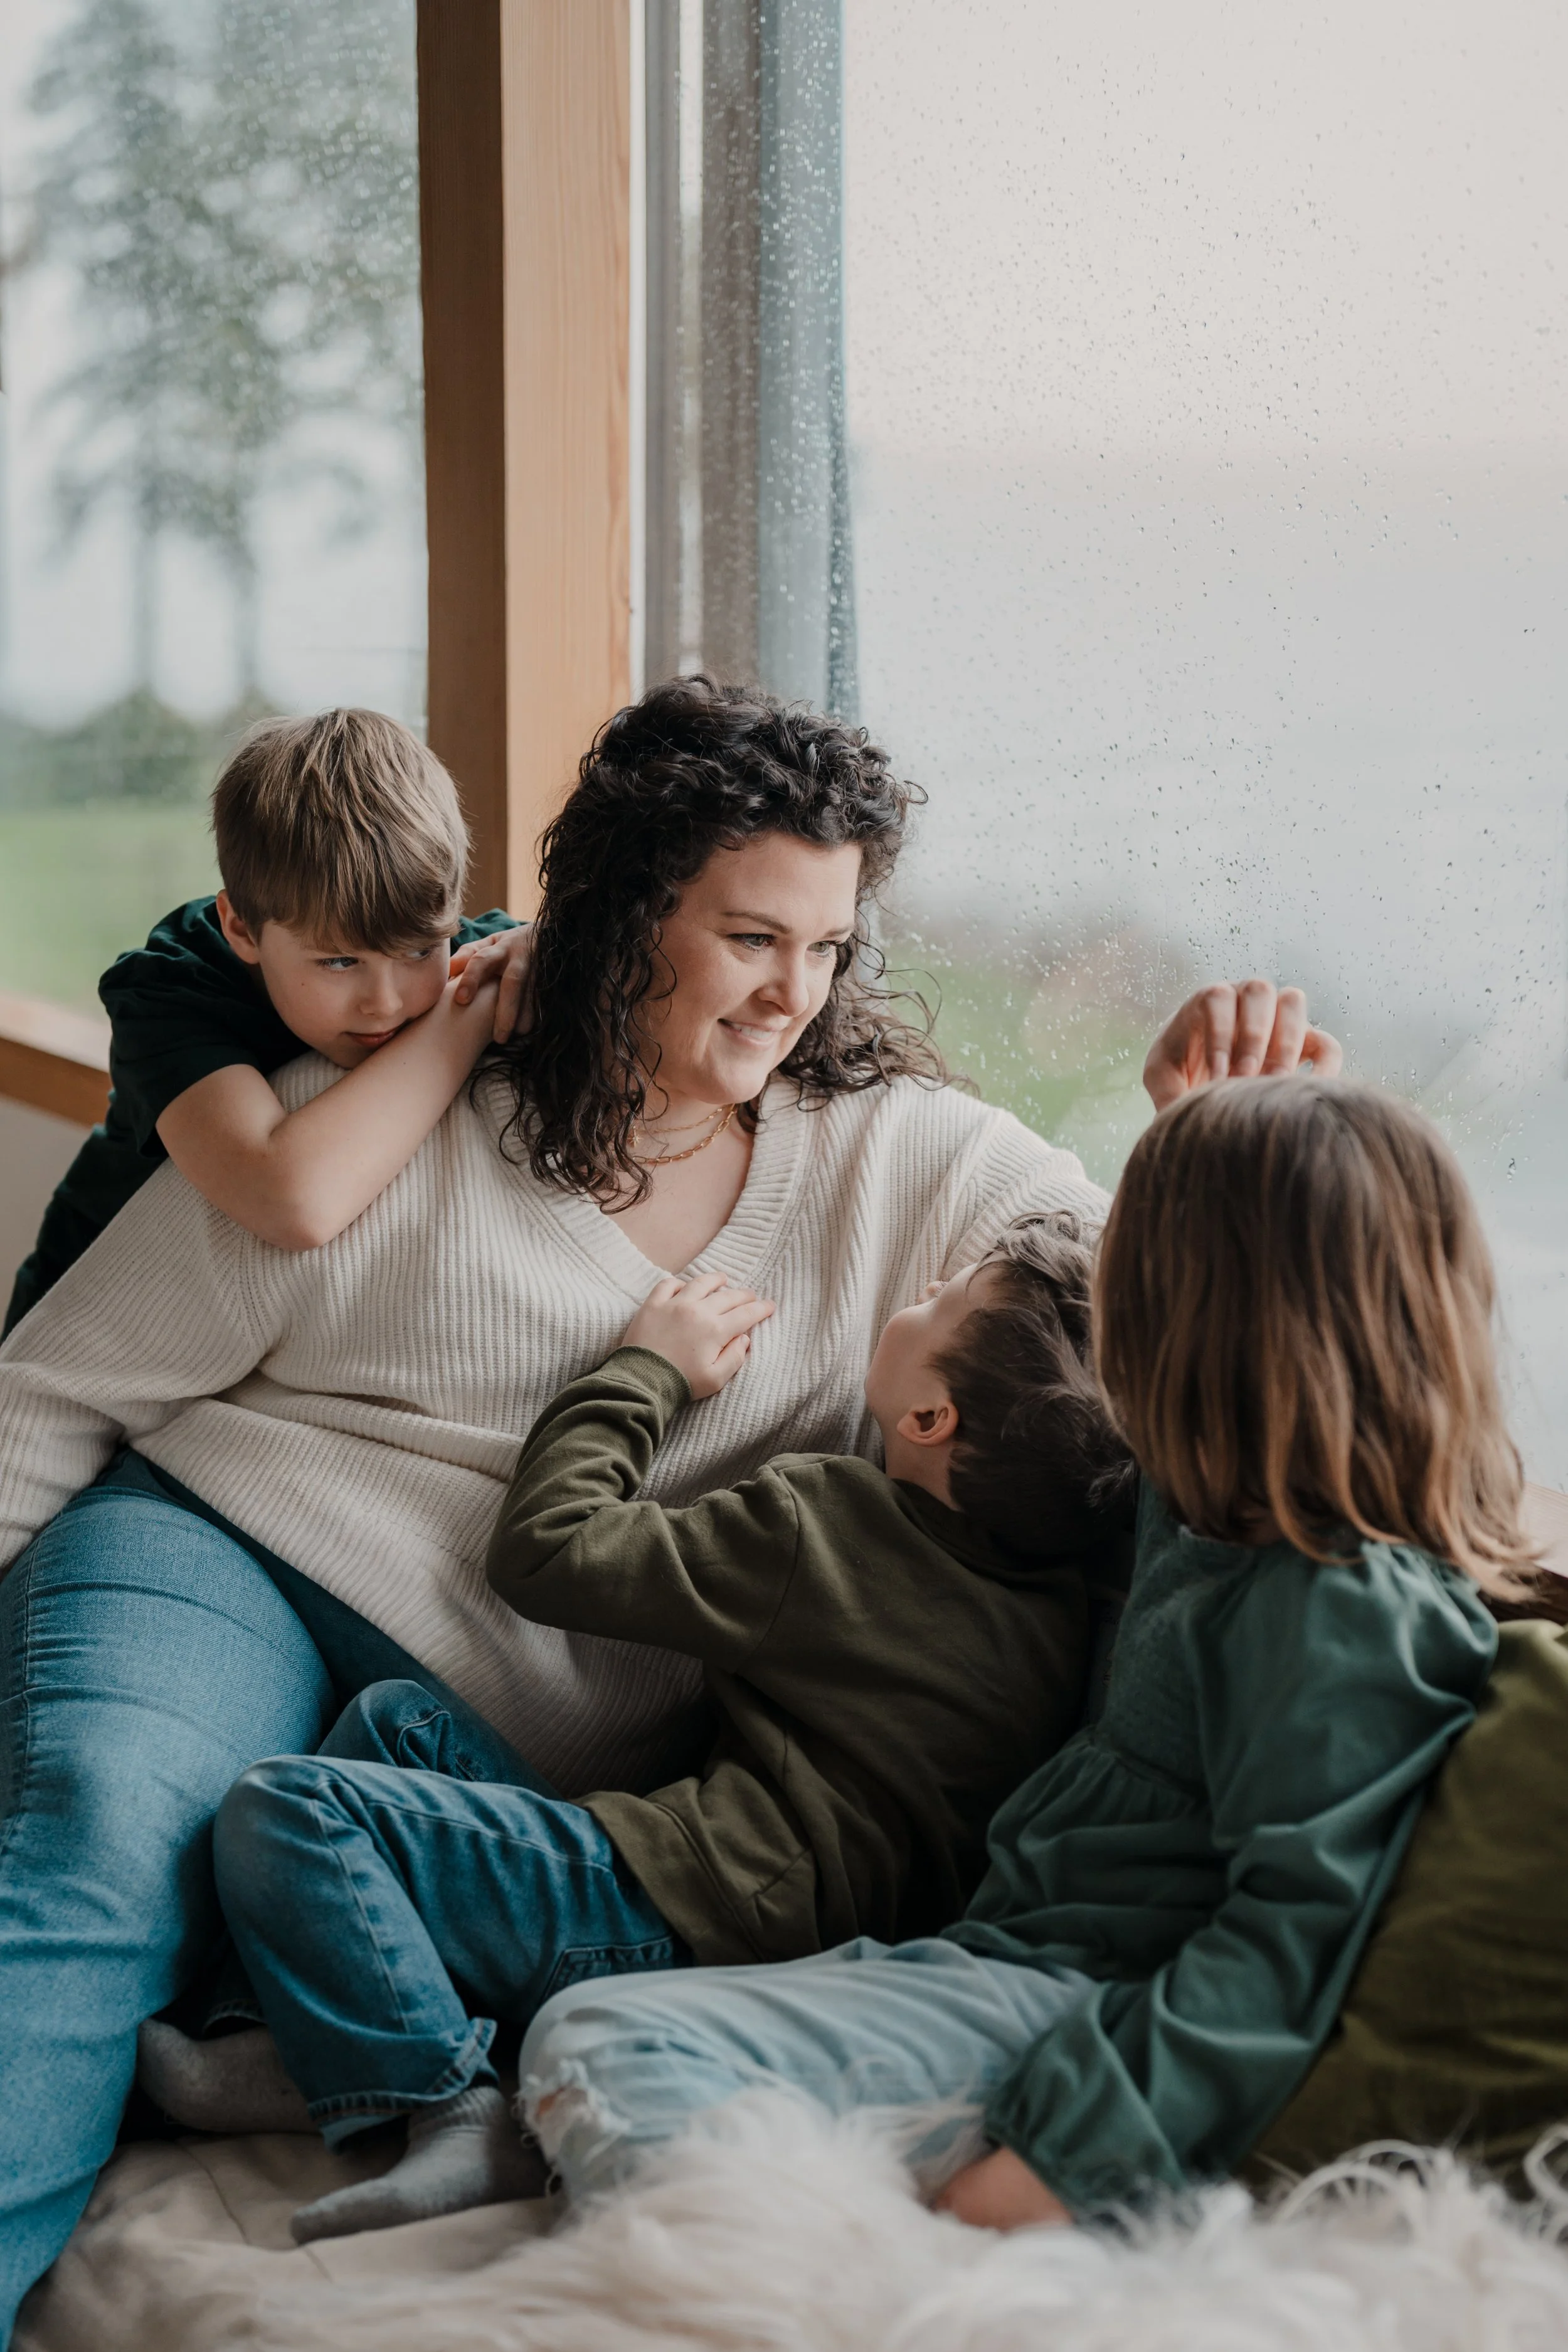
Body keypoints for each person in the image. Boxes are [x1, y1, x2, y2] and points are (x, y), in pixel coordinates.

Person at [0, 673, 1335, 2339]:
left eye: (829, 944)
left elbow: (1122, 1324)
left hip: (527, 1711)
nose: (795, 989)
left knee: (253, 1875)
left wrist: (1195, 1132)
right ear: (631, 910)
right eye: (749, 936)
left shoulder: (900, 1158)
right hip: (231, 1542)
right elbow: (55, 1389)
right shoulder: (412, 1077)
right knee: (100, 1832)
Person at [515, 1077, 1545, 2227]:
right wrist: (1193, 1113)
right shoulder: (1205, 1507)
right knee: (602, 2010)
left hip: (1080, 2018)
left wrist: (1060, 2159)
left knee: (601, 2039)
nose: (1106, 1306)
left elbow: (1285, 1945)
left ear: (1212, 1321)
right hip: (990, 1955)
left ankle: (828, 2303)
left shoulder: (1341, 1601)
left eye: (1133, 1275)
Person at [139, 1212, 1132, 2242]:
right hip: (810, 1958)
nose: (918, 1294)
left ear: (929, 1418)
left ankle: (448, 2102)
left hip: (683, 1915)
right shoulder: (1065, 1608)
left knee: (291, 1804)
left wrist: (646, 1371)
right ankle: (284, 2043)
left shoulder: (827, 1525)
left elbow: (550, 1550)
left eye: (940, 1303)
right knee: (399, 1725)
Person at [3, 706, 532, 1337]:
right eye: (339, 961)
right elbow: (293, 1203)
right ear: (241, 928)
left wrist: (544, 945)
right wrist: (465, 1017)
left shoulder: (474, 953)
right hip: (83, 1323)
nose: (386, 1001)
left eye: (421, 950)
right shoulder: (169, 988)